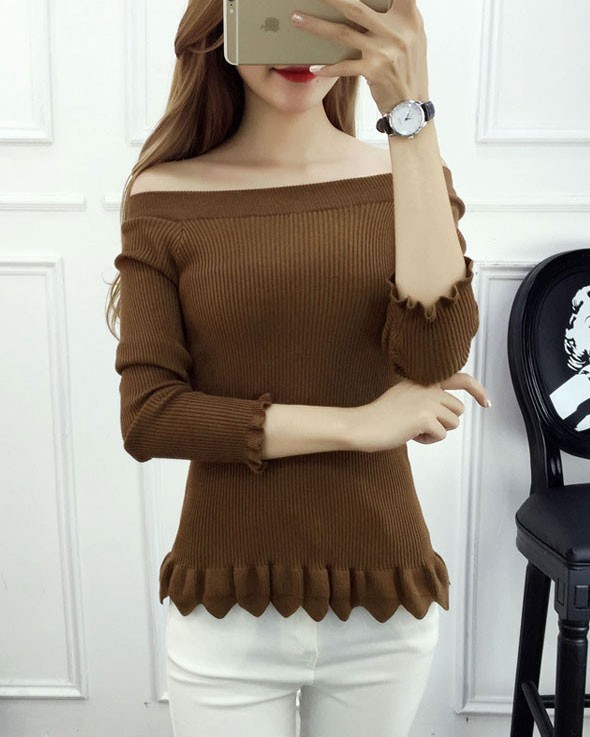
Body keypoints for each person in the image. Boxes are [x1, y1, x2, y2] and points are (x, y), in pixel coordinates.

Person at [106, 0, 491, 735]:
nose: (301, 37)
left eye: (323, 8)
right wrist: (361, 424)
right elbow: (151, 416)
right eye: (277, 9)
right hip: (226, 605)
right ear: (224, 23)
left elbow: (436, 356)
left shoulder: (407, 176)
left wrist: (409, 115)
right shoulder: (165, 197)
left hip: (383, 595)